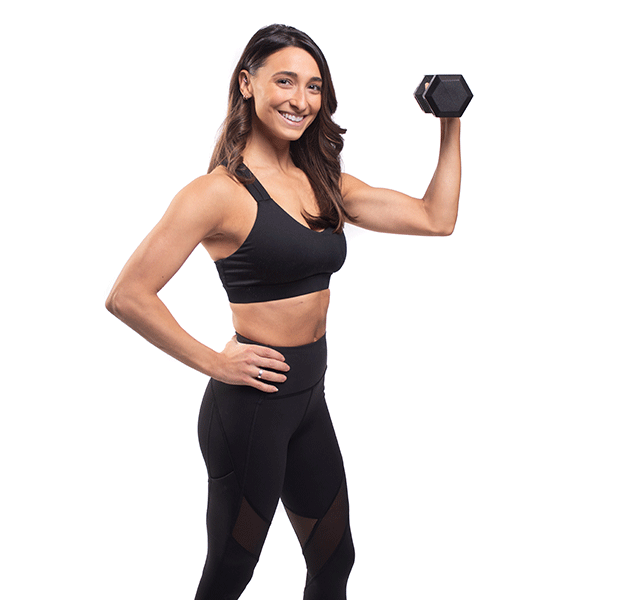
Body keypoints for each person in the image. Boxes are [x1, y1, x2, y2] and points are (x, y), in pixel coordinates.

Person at [106, 24, 461, 600]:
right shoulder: (216, 193)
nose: (301, 99)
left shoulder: (321, 181)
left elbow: (434, 218)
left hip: (308, 402)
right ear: (247, 84)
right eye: (285, 81)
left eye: (314, 86)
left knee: (334, 560)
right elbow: (128, 294)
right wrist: (215, 364)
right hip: (250, 411)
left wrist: (451, 122)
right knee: (231, 571)